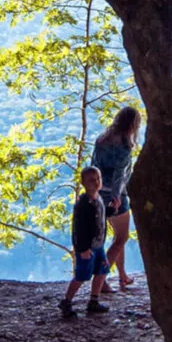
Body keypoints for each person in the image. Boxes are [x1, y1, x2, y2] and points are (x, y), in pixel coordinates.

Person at [90, 106, 141, 292]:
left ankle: (122, 276)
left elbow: (93, 165)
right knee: (122, 237)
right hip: (115, 196)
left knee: (114, 237)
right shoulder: (124, 146)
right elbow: (119, 175)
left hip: (98, 192)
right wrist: (117, 196)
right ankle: (101, 279)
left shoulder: (102, 139)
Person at [58, 166, 110, 318]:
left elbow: (101, 216)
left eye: (98, 178)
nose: (96, 182)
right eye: (91, 180)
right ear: (83, 183)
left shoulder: (98, 198)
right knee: (81, 275)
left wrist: (112, 210)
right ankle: (67, 301)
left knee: (102, 271)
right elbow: (79, 229)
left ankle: (94, 301)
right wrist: (83, 249)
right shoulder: (83, 204)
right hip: (87, 247)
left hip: (98, 244)